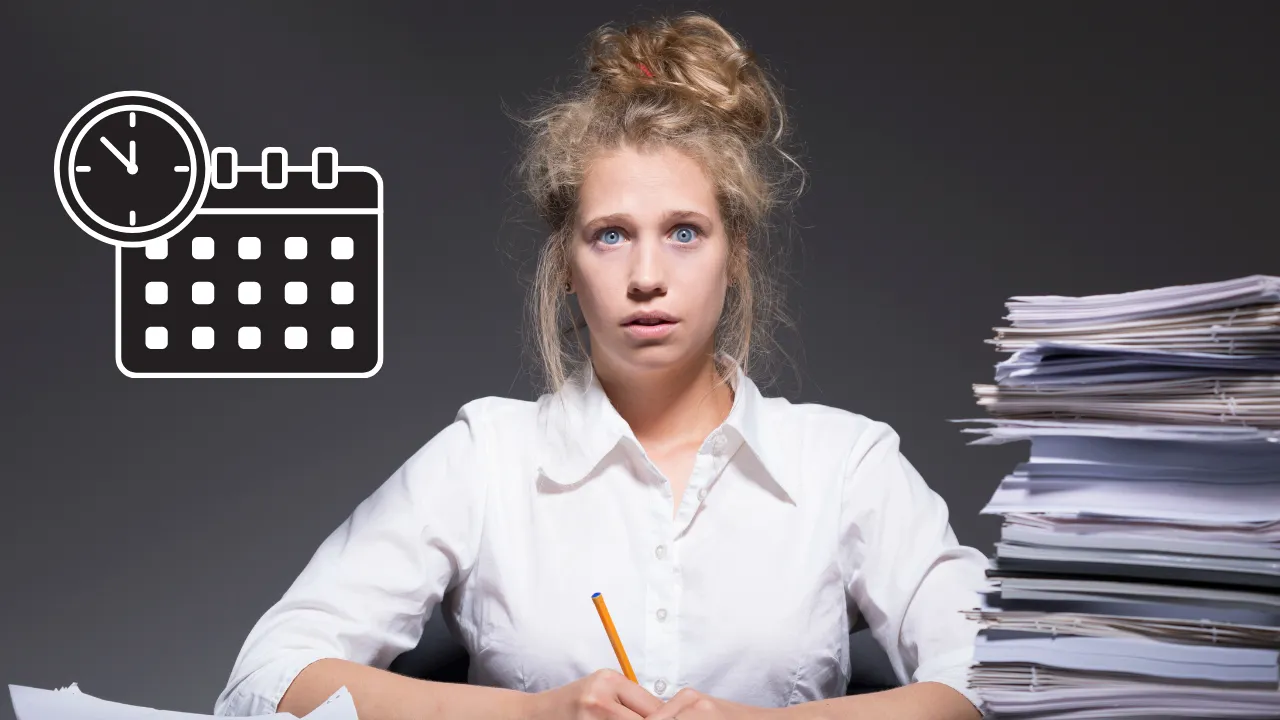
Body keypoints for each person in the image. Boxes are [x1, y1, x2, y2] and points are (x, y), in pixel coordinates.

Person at [214, 11, 988, 720]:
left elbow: (1000, 679)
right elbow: (265, 679)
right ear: (564, 266)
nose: (647, 274)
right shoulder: (488, 457)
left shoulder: (846, 464)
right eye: (611, 235)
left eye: (684, 232)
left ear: (736, 256)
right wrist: (535, 715)